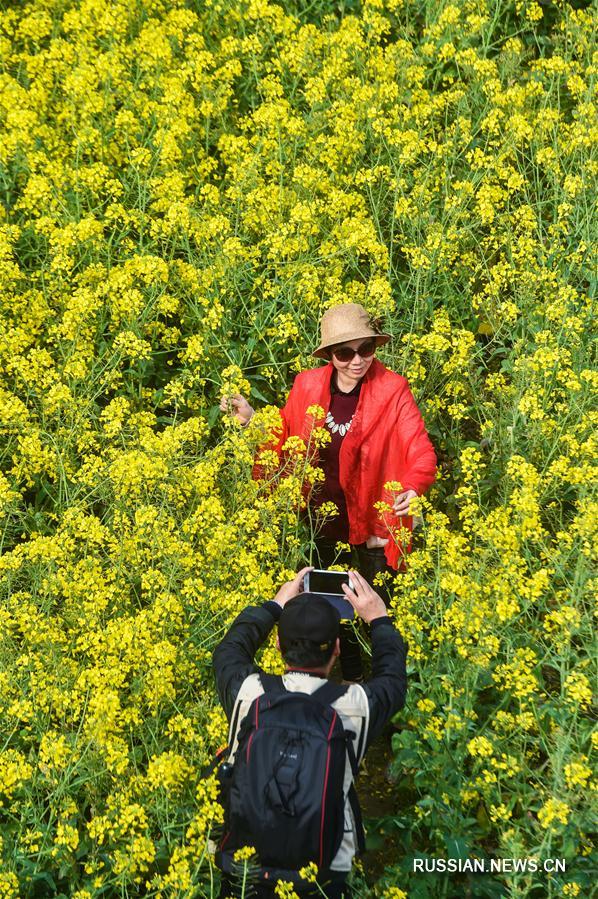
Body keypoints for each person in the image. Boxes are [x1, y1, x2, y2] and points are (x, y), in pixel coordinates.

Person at [220, 303, 436, 680]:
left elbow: (418, 445)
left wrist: (415, 486)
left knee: (374, 602)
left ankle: (381, 683)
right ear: (329, 356)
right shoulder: (307, 384)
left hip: (370, 519)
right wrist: (254, 421)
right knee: (332, 603)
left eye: (365, 349)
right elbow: (285, 434)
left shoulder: (392, 388)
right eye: (345, 353)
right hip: (319, 519)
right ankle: (348, 674)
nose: (357, 361)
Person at [212, 566, 408, 898]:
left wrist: (273, 606)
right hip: (322, 876)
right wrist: (379, 619)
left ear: (277, 644)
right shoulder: (355, 707)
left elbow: (229, 650)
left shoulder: (248, 692)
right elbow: (392, 681)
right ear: (336, 648)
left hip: (246, 871)